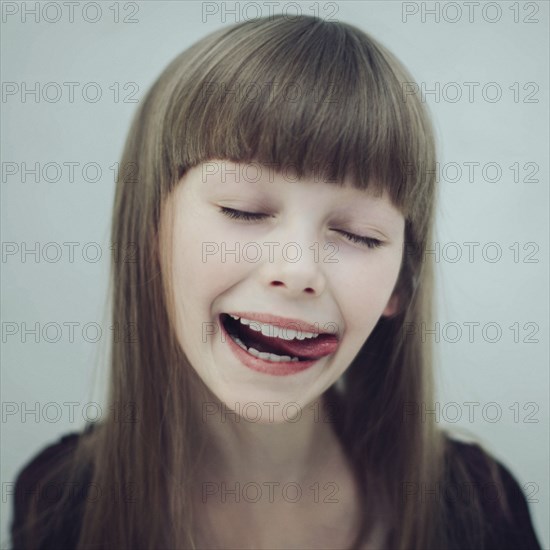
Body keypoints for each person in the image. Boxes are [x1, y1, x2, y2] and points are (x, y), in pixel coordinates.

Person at [10, 14, 543, 550]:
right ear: (150, 234)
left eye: (358, 236)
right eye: (242, 211)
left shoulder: (479, 503)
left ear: (400, 285)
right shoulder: (60, 500)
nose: (297, 270)